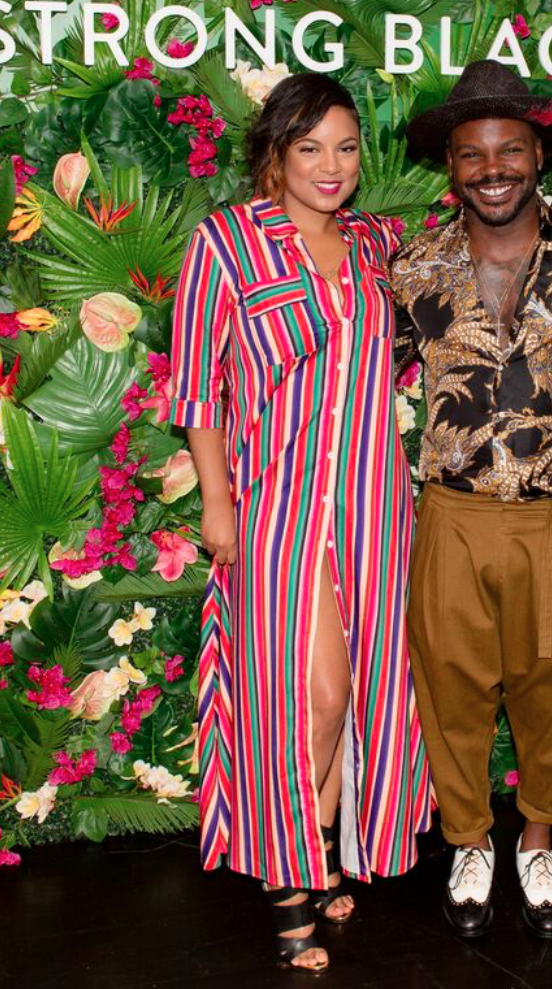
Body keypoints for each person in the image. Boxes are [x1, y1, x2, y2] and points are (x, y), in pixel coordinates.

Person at [165, 73, 432, 973]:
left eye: (347, 147)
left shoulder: (376, 244)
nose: (332, 165)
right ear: (274, 154)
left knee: (359, 692)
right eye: (310, 147)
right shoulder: (226, 243)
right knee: (305, 695)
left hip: (373, 504)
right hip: (275, 505)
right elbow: (197, 386)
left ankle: (315, 849)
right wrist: (215, 501)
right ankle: (288, 883)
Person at [391, 60, 552, 940]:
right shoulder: (413, 270)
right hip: (451, 521)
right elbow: (369, 388)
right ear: (451, 167)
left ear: (539, 156)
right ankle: (469, 840)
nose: (492, 169)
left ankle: (538, 839)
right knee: (452, 696)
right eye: (472, 154)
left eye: (509, 150)